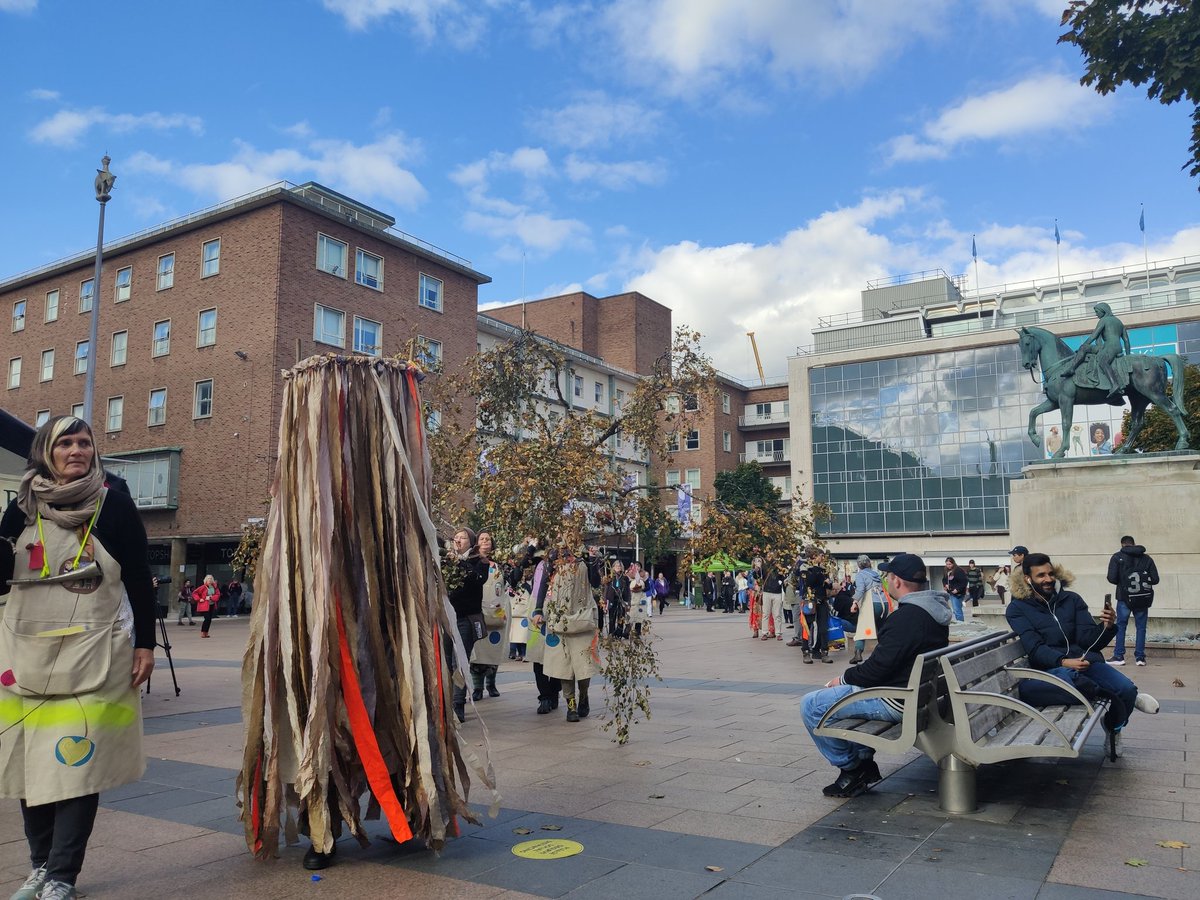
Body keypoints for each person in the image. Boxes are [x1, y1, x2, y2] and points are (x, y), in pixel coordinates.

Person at [0, 415, 156, 900]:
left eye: (84, 442)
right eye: (64, 442)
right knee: (31, 766)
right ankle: (41, 867)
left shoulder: (115, 507)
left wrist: (145, 643)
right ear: (46, 452)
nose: (75, 450)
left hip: (95, 655)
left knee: (76, 768)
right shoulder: (21, 508)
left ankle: (63, 876)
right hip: (24, 655)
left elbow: (137, 577)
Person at [801, 553, 951, 798]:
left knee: (811, 705)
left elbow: (877, 669)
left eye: (887, 577)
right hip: (919, 696)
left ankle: (852, 768)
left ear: (897, 581)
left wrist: (843, 679)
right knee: (849, 695)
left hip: (896, 700)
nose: (886, 582)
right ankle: (864, 765)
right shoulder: (934, 612)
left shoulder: (906, 618)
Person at [1007, 552, 1159, 757]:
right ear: (1028, 578)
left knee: (1127, 690)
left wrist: (1106, 626)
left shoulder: (1071, 599)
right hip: (1053, 670)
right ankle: (1115, 696)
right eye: (1041, 575)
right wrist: (1063, 661)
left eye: (1050, 574)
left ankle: (1114, 727)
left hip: (1087, 664)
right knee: (1079, 685)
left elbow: (1089, 640)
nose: (1048, 579)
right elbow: (1035, 648)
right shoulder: (1017, 609)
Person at [533, 544, 598, 722]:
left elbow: (596, 582)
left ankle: (583, 696)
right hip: (560, 621)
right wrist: (538, 610)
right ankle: (571, 706)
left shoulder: (584, 558)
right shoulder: (552, 560)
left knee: (584, 667)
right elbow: (542, 588)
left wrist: (593, 559)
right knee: (564, 667)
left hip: (583, 621)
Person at [446, 527, 489, 723]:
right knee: (446, 663)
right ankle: (446, 702)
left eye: (462, 538)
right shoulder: (448, 560)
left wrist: (461, 563)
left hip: (466, 619)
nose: (458, 540)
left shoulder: (479, 561)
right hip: (447, 617)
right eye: (456, 537)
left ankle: (458, 704)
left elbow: (477, 580)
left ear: (471, 542)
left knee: (459, 663)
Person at [1106, 535, 1160, 667]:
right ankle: (1140, 658)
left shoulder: (1117, 557)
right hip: (1142, 598)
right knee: (1141, 627)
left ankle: (1119, 656)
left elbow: (1112, 578)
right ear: (1133, 544)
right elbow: (1155, 579)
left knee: (1121, 625)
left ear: (1122, 544)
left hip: (1124, 597)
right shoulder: (1146, 558)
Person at [468, 531, 507, 700]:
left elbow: (510, 583)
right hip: (477, 610)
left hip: (497, 610)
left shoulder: (500, 563)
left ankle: (491, 682)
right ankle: (477, 687)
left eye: (488, 539)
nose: (485, 542)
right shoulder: (470, 561)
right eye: (482, 539)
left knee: (493, 647)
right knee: (478, 648)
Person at [1071, 301, 1130, 399]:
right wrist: (1128, 356)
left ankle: (1114, 384)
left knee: (1103, 362)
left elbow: (1094, 335)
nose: (1096, 314)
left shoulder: (1104, 320)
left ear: (1103, 311)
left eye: (1097, 312)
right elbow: (1126, 340)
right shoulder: (1119, 321)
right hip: (1117, 347)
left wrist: (1084, 345)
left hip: (1110, 347)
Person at [848, 555, 885, 664]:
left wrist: (854, 602)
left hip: (871, 603)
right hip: (883, 603)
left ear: (859, 565)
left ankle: (858, 653)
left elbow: (860, 590)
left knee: (862, 627)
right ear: (869, 563)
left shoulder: (860, 575)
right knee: (881, 629)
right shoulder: (876, 575)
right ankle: (884, 651)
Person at [802, 557, 834, 663]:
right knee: (808, 627)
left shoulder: (823, 570)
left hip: (822, 600)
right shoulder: (806, 567)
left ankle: (823, 651)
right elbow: (809, 582)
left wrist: (828, 581)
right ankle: (806, 652)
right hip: (810, 601)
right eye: (820, 556)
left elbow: (829, 585)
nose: (822, 558)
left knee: (823, 628)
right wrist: (816, 570)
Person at [759, 559, 786, 641]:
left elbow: (783, 577)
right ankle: (764, 633)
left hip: (777, 593)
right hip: (767, 592)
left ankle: (778, 633)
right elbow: (757, 576)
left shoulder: (780, 568)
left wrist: (780, 581)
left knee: (777, 614)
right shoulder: (764, 568)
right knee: (765, 614)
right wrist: (757, 568)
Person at [604, 560, 631, 638]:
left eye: (619, 566)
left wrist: (628, 601)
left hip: (622, 600)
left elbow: (628, 590)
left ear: (622, 568)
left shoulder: (625, 578)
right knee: (612, 618)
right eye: (616, 566)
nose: (618, 567)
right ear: (613, 567)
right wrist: (605, 600)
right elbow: (606, 589)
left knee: (621, 618)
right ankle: (611, 634)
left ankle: (618, 634)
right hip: (612, 599)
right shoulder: (610, 577)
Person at [941, 557, 968, 622]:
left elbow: (964, 581)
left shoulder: (958, 570)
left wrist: (957, 589)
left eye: (950, 564)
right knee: (956, 608)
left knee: (957, 609)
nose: (948, 566)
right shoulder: (946, 570)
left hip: (958, 593)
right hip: (951, 592)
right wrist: (945, 585)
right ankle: (959, 621)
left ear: (953, 563)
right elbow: (944, 579)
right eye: (947, 564)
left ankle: (960, 622)